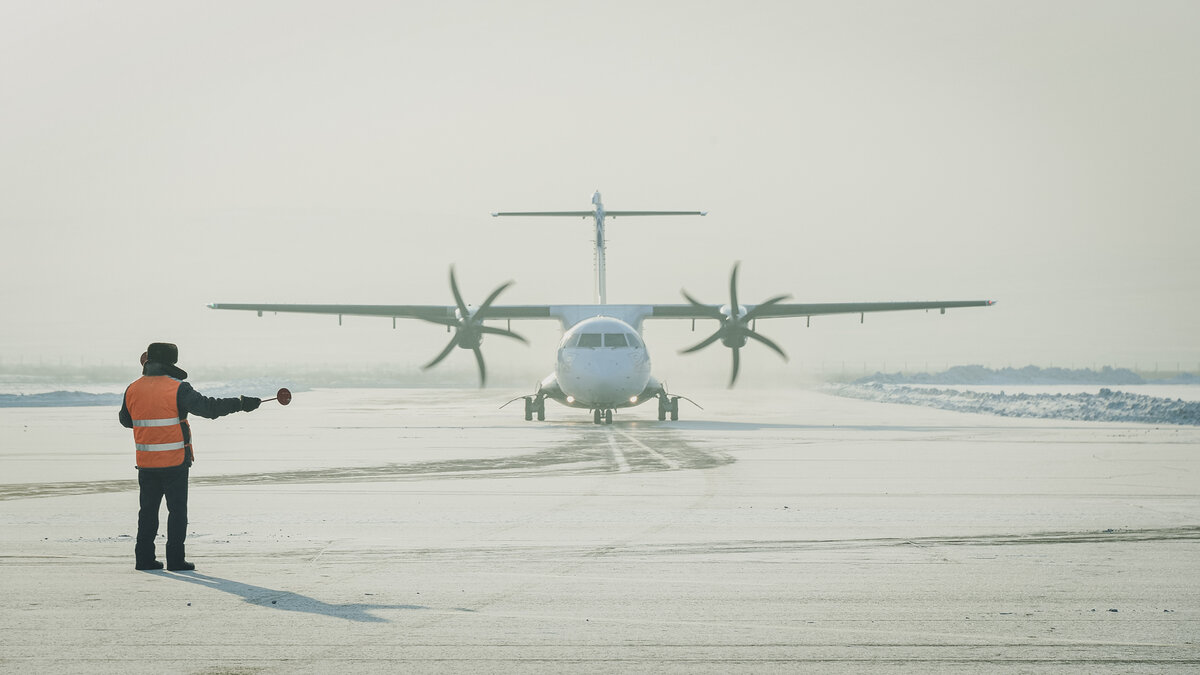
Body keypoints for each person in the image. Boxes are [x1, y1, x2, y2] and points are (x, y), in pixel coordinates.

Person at [119, 342, 261, 571]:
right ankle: (176, 560)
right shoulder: (177, 388)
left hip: (146, 463)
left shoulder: (133, 388)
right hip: (174, 462)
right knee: (177, 512)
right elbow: (208, 408)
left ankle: (143, 559)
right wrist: (241, 403)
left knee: (147, 513)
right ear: (171, 362)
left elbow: (126, 421)